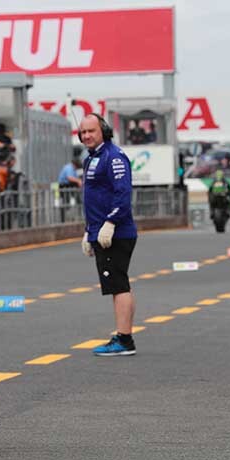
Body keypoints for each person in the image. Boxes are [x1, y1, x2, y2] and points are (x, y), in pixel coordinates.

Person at [79, 113, 138, 356]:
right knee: (116, 284)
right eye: (83, 132)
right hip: (100, 231)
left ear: (103, 130)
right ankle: (123, 335)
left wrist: (110, 222)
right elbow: (94, 199)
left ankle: (124, 339)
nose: (87, 136)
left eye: (91, 131)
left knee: (118, 284)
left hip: (116, 232)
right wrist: (88, 231)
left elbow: (122, 194)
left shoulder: (113, 157)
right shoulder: (91, 158)